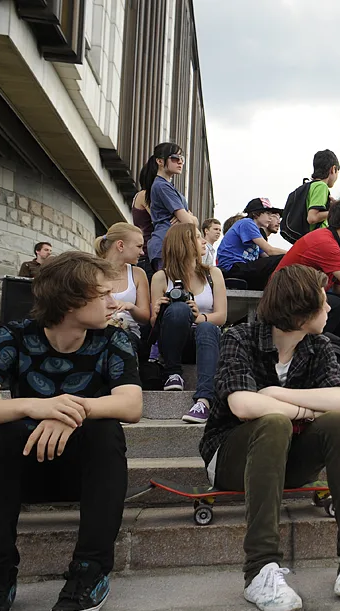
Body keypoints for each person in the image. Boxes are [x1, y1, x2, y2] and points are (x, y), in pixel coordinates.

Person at [0, 252, 142, 611]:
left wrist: (68, 410)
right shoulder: (15, 336)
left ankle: (90, 572)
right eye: (103, 295)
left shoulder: (113, 338)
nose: (113, 302)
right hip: (22, 474)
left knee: (106, 430)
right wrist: (36, 406)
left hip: (86, 476)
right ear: (71, 302)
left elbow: (131, 405)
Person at [198, 265, 340, 611]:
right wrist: (303, 410)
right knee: (274, 422)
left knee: (337, 423)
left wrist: (275, 392)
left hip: (289, 463)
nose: (329, 309)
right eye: (322, 304)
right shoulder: (240, 338)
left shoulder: (318, 345)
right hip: (232, 459)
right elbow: (242, 404)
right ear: (299, 312)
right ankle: (260, 570)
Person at [275, 196, 340, 344]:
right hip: (285, 296)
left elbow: (339, 285)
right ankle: (309, 346)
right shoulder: (324, 242)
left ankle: (330, 345)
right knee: (334, 305)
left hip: (304, 293)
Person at [150, 223, 227, 424]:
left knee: (207, 326)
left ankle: (204, 400)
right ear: (184, 243)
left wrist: (199, 317)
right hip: (174, 341)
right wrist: (158, 312)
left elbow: (222, 316)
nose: (203, 241)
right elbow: (153, 323)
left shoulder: (213, 273)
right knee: (178, 309)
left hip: (205, 340)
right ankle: (173, 373)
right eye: (197, 237)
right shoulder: (161, 277)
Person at [93, 223, 151, 354]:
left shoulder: (138, 274)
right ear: (120, 245)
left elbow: (145, 318)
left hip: (128, 333)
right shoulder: (91, 271)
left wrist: (129, 306)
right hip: (97, 328)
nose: (142, 252)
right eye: (139, 246)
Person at [145, 142, 198, 272]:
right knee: (167, 288)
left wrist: (188, 217)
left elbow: (191, 221)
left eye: (182, 159)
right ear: (160, 161)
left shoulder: (166, 186)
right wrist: (187, 217)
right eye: (175, 158)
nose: (180, 162)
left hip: (172, 244)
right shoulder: (161, 186)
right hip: (166, 244)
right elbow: (189, 222)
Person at [217, 198, 288, 289]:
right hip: (232, 267)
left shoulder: (256, 231)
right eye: (267, 213)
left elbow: (266, 256)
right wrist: (293, 252)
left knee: (276, 264)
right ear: (256, 214)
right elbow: (270, 251)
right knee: (280, 258)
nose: (270, 218)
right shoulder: (247, 223)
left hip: (242, 267)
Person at [305, 149, 339, 232]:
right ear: (333, 169)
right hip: (316, 237)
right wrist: (336, 212)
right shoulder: (321, 186)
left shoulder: (310, 186)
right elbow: (312, 218)